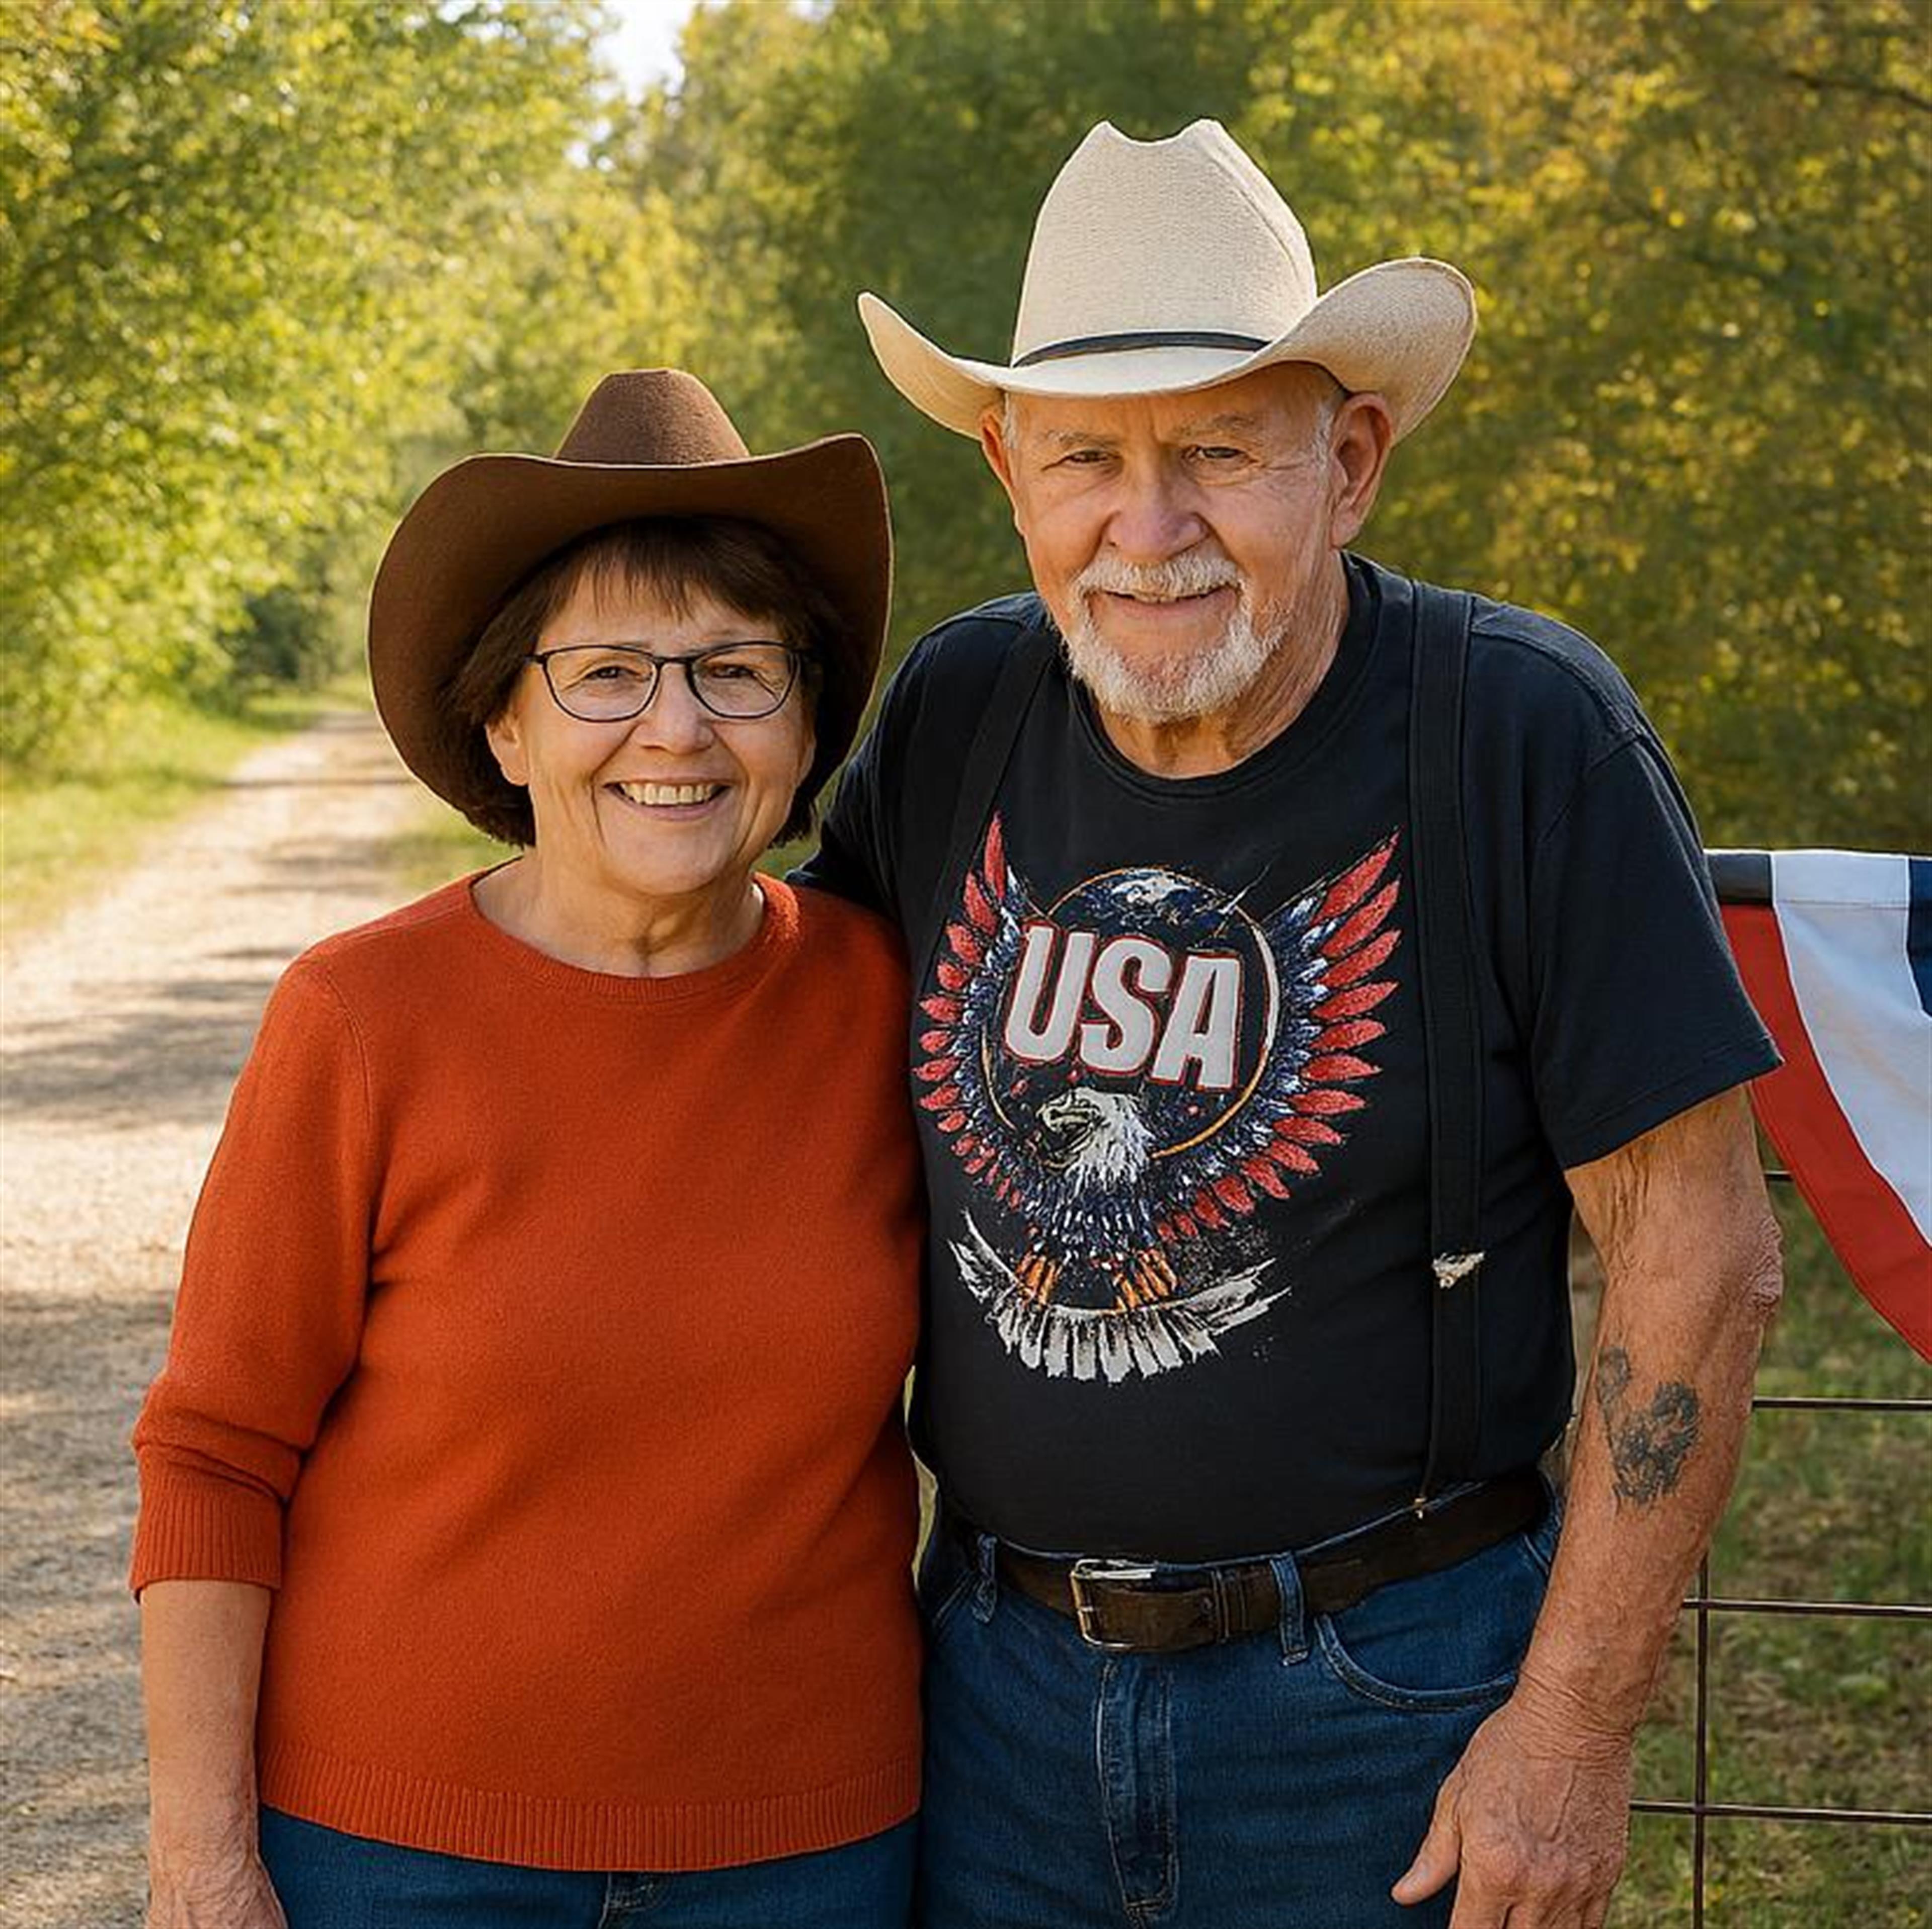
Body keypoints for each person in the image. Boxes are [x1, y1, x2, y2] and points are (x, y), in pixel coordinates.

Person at [802, 120, 1785, 1928]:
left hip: (1390, 1706)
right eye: (1087, 456)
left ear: (1349, 467)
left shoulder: (1519, 734)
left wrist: (1570, 1726)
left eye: (1219, 455)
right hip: (986, 1687)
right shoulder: (956, 712)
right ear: (1011, 469)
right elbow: (765, 1094)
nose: (1147, 528)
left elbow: (1698, 1253)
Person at [131, 370, 924, 1927]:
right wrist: (200, 1861)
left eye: (736, 669)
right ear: (504, 716)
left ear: (807, 716)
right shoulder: (361, 1018)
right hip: (390, 1857)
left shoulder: (887, 1003)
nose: (677, 728)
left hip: (808, 1858)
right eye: (608, 670)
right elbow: (216, 1455)